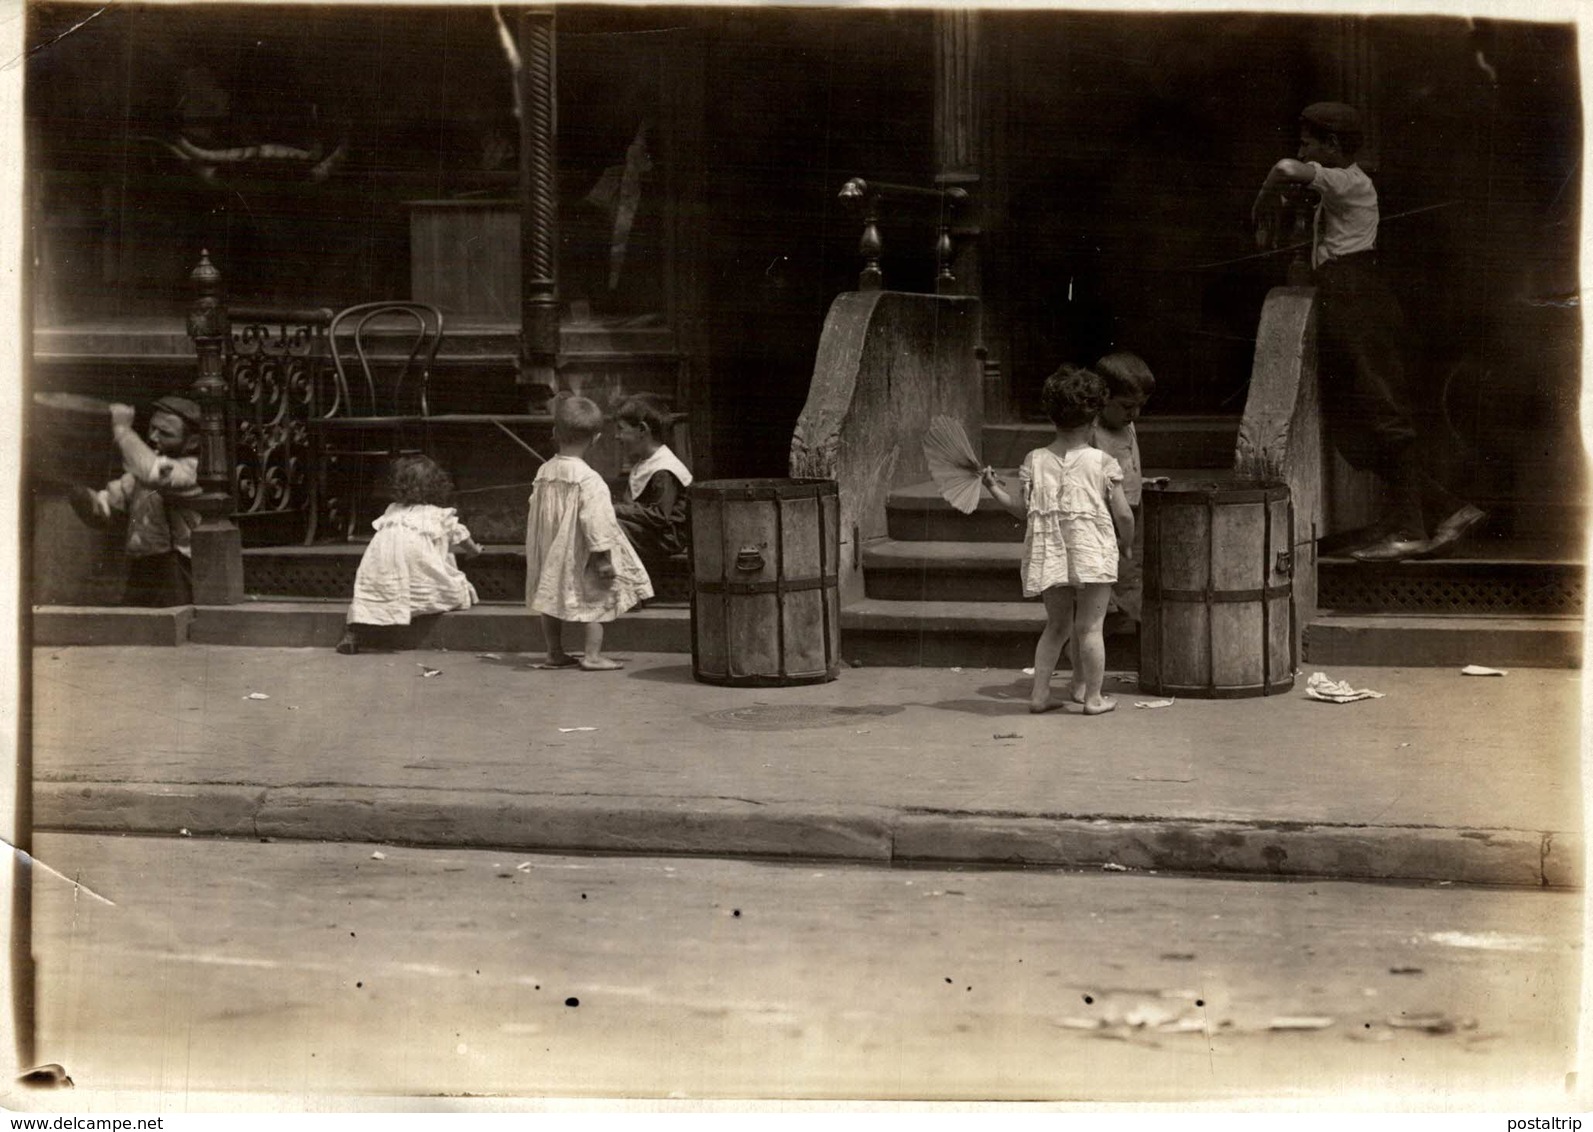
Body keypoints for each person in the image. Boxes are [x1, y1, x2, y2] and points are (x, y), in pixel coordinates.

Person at [1253, 101, 1484, 561]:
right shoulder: (1336, 188)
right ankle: (1442, 508)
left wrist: (1260, 201)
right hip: (1343, 297)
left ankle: (1410, 528)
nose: (1302, 152)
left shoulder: (1349, 182)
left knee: (1381, 410)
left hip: (1358, 296)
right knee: (1356, 425)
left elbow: (1283, 169)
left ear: (1334, 145)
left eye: (1309, 142)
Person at [982, 365, 1134, 715]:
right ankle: (1092, 698)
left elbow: (1021, 510)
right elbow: (1124, 514)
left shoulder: (1034, 460)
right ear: (1094, 420)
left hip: (1050, 553)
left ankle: (1039, 694)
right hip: (1092, 553)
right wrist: (1126, 543)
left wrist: (992, 487)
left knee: (1056, 627)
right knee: (1090, 627)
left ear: (1052, 418)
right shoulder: (1103, 462)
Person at [525, 395, 653, 671]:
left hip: (552, 548)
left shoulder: (544, 471)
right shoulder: (589, 480)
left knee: (550, 598)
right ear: (596, 439)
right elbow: (598, 523)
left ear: (554, 433)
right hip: (582, 550)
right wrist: (603, 557)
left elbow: (537, 511)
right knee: (597, 598)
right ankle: (592, 656)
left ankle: (554, 652)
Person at [336, 455, 481, 654]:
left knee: (375, 594)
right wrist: (475, 550)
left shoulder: (392, 510)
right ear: (437, 486)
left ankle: (353, 633)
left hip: (381, 561)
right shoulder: (437, 513)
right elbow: (462, 535)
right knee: (451, 589)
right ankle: (412, 606)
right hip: (416, 561)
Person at [67, 396, 204, 607]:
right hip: (143, 567)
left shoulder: (191, 469)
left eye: (166, 433)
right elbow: (104, 507)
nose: (153, 437)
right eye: (152, 428)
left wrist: (122, 430)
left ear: (193, 442)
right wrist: (76, 489)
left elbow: (154, 473)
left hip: (176, 570)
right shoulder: (138, 476)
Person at [1092, 351, 1154, 628]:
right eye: (1127, 406)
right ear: (1102, 398)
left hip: (1132, 509)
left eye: (1140, 406)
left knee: (1132, 570)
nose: (1135, 414)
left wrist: (1142, 482)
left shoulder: (1128, 427)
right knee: (1119, 575)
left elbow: (1128, 466)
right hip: (1107, 516)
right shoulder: (1093, 433)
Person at [611, 394, 692, 569]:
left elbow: (659, 515)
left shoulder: (663, 468)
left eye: (621, 429)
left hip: (666, 537)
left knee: (610, 528)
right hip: (652, 531)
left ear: (642, 429)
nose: (617, 436)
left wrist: (615, 509)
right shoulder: (646, 462)